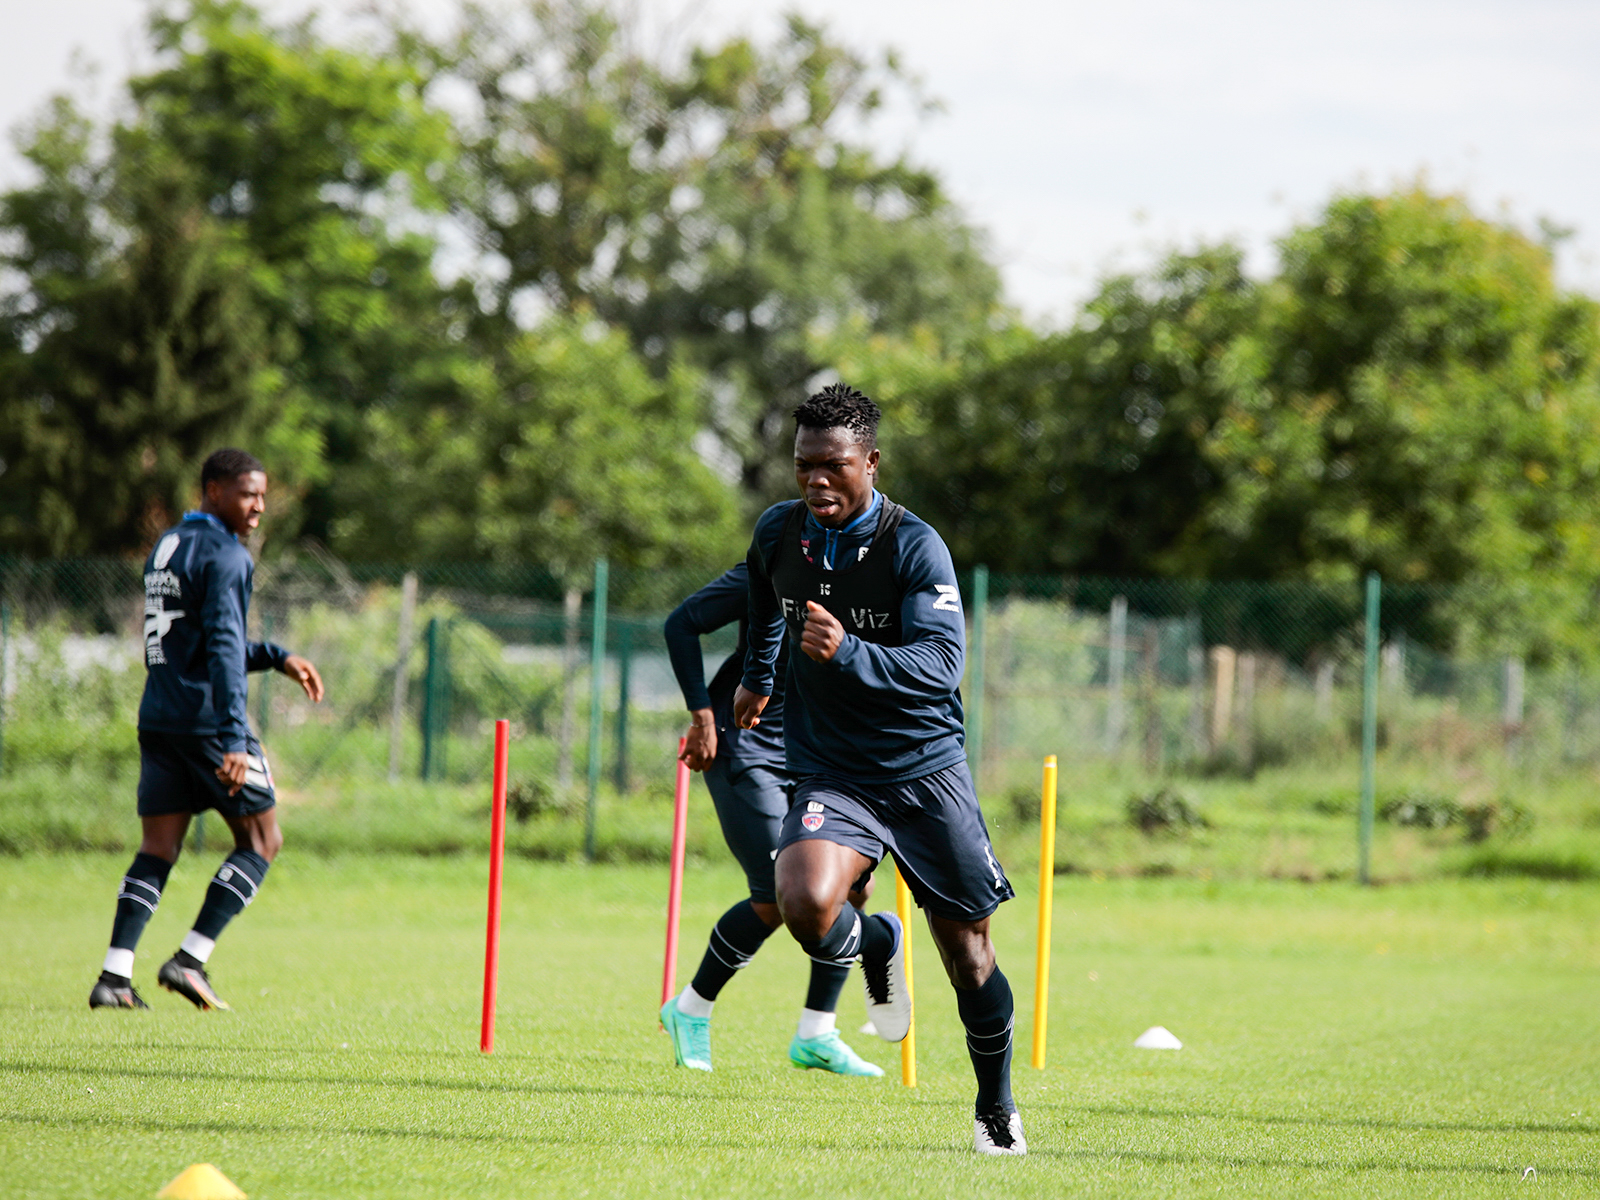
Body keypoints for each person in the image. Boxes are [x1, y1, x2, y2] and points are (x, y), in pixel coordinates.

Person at [733, 383, 1026, 1155]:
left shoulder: (913, 545)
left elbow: (943, 662)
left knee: (968, 952)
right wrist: (760, 675)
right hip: (832, 768)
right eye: (803, 466)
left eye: (833, 465)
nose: (815, 481)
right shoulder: (778, 534)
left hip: (924, 770)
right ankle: (877, 943)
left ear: (870, 461)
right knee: (802, 902)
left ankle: (994, 1106)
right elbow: (766, 599)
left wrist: (851, 652)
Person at [88, 448, 324, 1013]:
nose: (259, 507)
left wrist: (275, 656)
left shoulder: (168, 545)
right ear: (213, 491)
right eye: (249, 494)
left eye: (263, 495)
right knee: (263, 840)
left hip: (160, 717)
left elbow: (189, 640)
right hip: (206, 724)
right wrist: (236, 739)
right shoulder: (228, 555)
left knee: (158, 848)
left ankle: (114, 977)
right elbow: (219, 646)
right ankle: (189, 960)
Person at [659, 564, 882, 1077]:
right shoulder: (774, 567)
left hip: (816, 751)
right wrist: (701, 718)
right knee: (775, 893)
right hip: (745, 743)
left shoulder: (874, 579)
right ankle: (690, 1009)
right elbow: (681, 623)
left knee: (851, 889)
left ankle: (816, 1034)